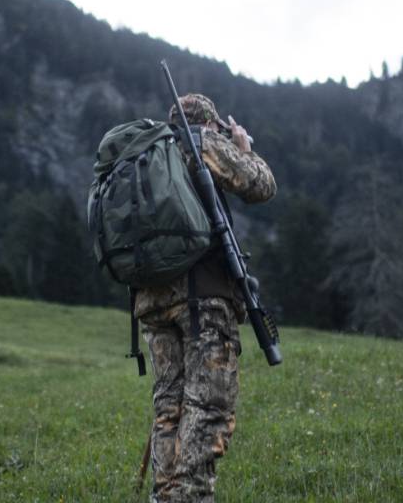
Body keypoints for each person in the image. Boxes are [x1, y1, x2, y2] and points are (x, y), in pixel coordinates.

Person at [135, 93, 276, 503]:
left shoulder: (150, 155)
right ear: (211, 123)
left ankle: (166, 497)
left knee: (169, 408)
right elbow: (261, 185)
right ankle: (192, 498)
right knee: (208, 408)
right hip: (203, 298)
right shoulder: (201, 141)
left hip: (151, 301)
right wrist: (243, 146)